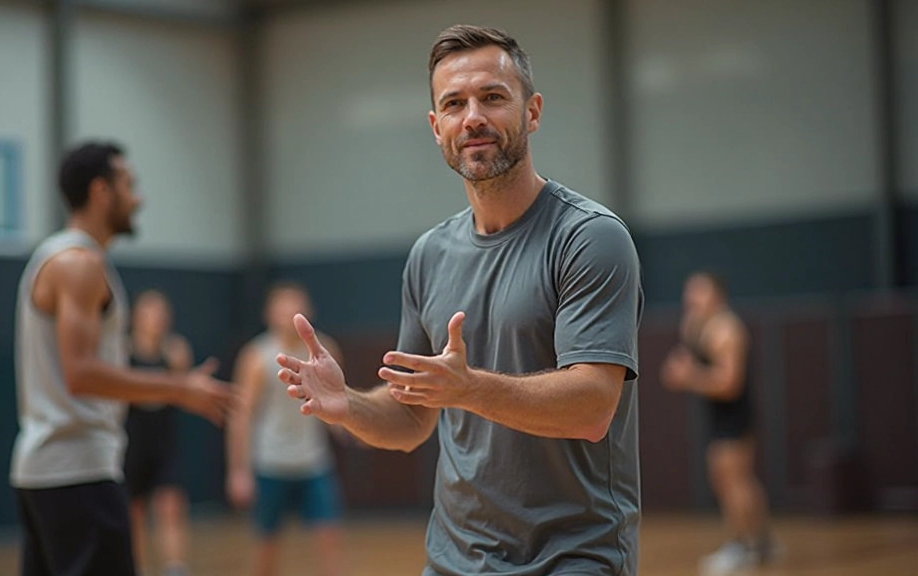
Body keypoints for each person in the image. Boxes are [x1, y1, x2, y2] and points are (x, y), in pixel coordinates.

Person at [275, 25, 644, 576]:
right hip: (453, 561)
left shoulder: (588, 237)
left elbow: (593, 407)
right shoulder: (428, 255)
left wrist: (469, 388)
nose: (473, 117)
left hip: (572, 559)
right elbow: (410, 418)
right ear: (436, 126)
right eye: (454, 103)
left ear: (533, 111)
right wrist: (348, 405)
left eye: (493, 97)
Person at [9, 141, 233, 576]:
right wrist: (180, 387)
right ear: (101, 192)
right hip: (78, 473)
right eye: (129, 184)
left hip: (46, 474)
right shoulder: (78, 264)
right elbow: (81, 374)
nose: (139, 197)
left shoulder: (60, 257)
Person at [226, 282, 346, 576]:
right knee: (267, 545)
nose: (291, 313)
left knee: (329, 538)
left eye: (297, 306)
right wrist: (238, 471)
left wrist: (354, 430)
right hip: (271, 463)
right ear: (270, 314)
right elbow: (241, 417)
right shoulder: (257, 355)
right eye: (283, 307)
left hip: (314, 461)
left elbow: (339, 404)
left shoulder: (325, 351)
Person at [660, 271, 775, 575]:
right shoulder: (695, 324)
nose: (692, 299)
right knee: (739, 478)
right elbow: (692, 359)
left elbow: (729, 383)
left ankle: (745, 545)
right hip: (716, 413)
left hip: (734, 413)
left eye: (699, 292)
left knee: (731, 479)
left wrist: (689, 377)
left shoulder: (727, 330)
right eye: (690, 292)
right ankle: (762, 542)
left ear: (718, 296)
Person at [125, 290, 196, 576]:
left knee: (170, 505)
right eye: (150, 312)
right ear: (136, 317)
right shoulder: (123, 351)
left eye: (161, 312)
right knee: (134, 511)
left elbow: (186, 393)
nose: (156, 318)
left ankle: (175, 568)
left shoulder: (175, 351)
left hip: (163, 441)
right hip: (131, 442)